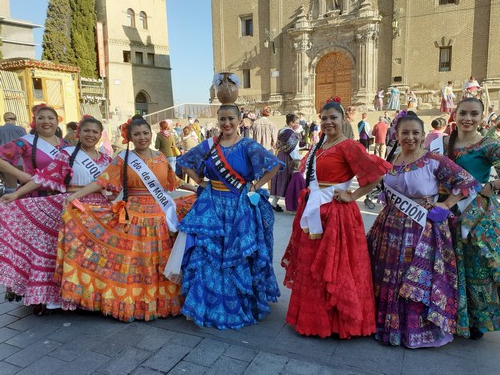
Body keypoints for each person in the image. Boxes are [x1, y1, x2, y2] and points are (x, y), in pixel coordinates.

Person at [57, 115, 197, 322]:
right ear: (130, 137)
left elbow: (173, 182)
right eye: (137, 134)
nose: (142, 137)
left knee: (160, 260)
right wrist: (75, 196)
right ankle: (133, 302)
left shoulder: (160, 157)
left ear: (151, 134)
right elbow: (102, 181)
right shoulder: (122, 159)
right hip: (133, 216)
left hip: (159, 216)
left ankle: (159, 302)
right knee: (135, 263)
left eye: (145, 133)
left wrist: (196, 188)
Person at [367, 111, 480, 348]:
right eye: (405, 132)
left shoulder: (433, 161)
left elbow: (467, 181)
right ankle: (387, 326)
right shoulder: (394, 158)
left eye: (415, 133)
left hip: (420, 230)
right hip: (389, 227)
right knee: (388, 274)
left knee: (412, 278)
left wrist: (446, 204)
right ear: (396, 135)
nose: (410, 137)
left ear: (422, 135)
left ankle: (414, 331)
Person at [281, 100, 391, 339]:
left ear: (343, 120)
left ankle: (337, 322)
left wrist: (352, 195)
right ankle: (314, 318)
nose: (328, 122)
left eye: (333, 118)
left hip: (337, 215)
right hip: (314, 211)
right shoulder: (320, 145)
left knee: (336, 267)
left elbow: (376, 174)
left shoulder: (349, 146)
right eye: (324, 118)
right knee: (313, 267)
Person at [177, 103, 283, 329]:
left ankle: (238, 302)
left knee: (237, 256)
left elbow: (274, 165)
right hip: (212, 206)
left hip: (239, 207)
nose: (226, 123)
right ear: (217, 120)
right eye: (222, 119)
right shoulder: (209, 146)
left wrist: (255, 187)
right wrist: (200, 182)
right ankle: (205, 304)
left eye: (230, 119)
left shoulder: (247, 145)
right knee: (208, 255)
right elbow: (184, 162)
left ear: (239, 120)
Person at [0, 116, 112, 314]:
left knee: (96, 256)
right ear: (79, 133)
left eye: (95, 131)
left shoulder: (107, 160)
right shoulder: (66, 154)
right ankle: (68, 296)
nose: (91, 135)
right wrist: (17, 193)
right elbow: (44, 177)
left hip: (101, 210)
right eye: (86, 130)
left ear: (100, 135)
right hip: (73, 206)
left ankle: (92, 296)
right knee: (73, 254)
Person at [444, 97, 500, 340]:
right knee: (450, 265)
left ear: (481, 116)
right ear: (454, 114)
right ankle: (452, 316)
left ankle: (476, 321)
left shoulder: (488, 145)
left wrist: (493, 185)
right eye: (463, 113)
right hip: (447, 211)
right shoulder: (444, 142)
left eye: (474, 114)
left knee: (475, 267)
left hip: (475, 214)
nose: (468, 118)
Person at [0, 106, 70, 198]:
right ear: (35, 123)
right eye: (41, 118)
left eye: (50, 118)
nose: (46, 121)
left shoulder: (66, 144)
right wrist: (21, 175)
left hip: (63, 196)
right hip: (34, 196)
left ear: (57, 122)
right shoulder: (25, 142)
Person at [270, 113, 302, 212]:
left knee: (281, 178)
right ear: (291, 123)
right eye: (296, 122)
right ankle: (288, 203)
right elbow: (290, 148)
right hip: (287, 157)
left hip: (280, 155)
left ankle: (274, 203)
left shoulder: (282, 130)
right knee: (286, 178)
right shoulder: (290, 132)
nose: (297, 124)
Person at [0, 112, 26, 193]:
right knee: (24, 183)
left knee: (10, 184)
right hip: (20, 160)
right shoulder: (21, 129)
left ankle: (10, 202)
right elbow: (26, 143)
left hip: (5, 161)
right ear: (15, 119)